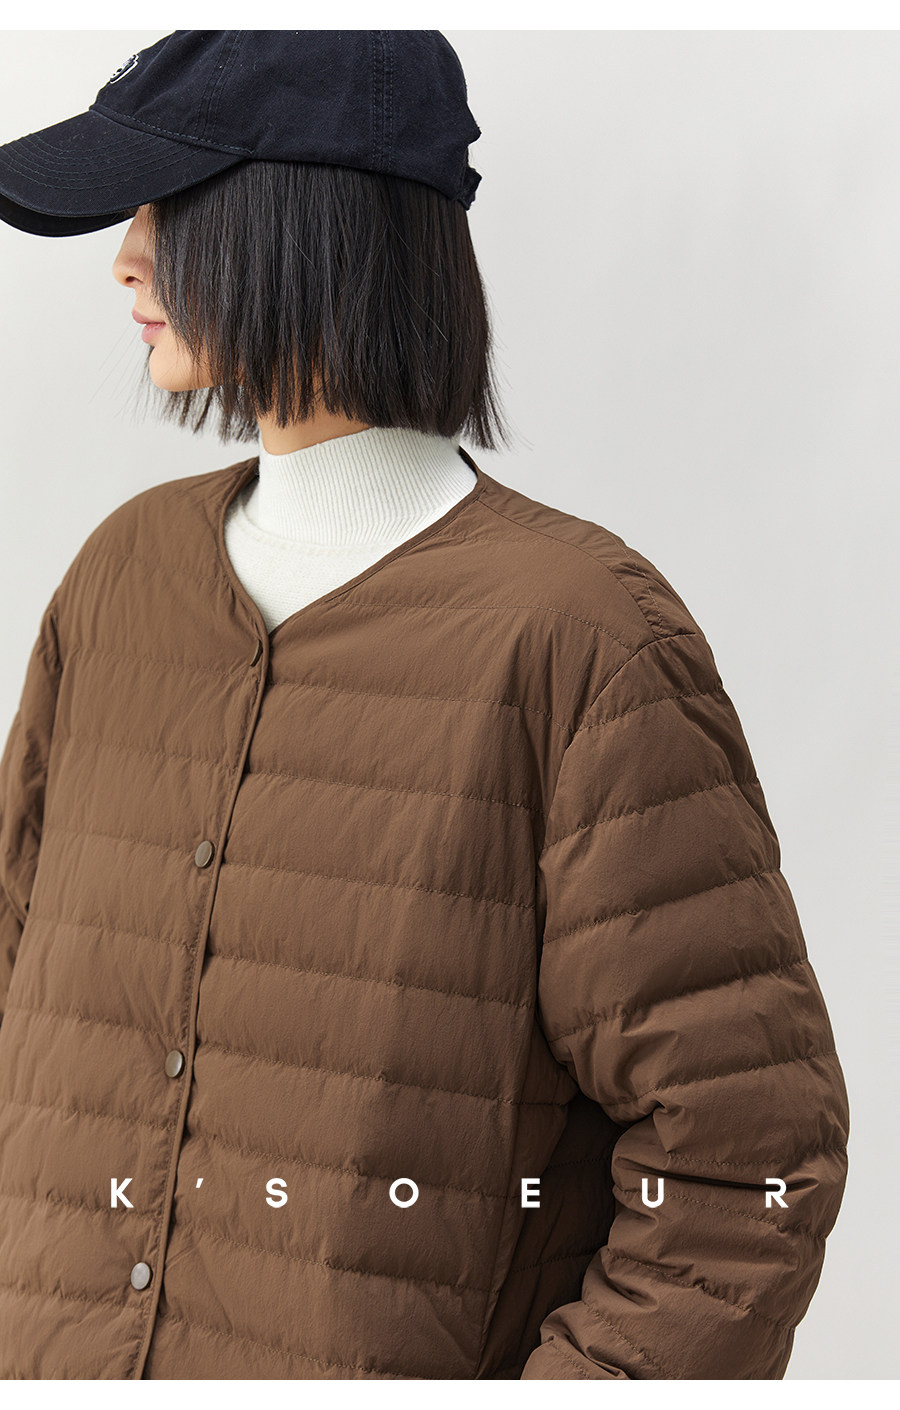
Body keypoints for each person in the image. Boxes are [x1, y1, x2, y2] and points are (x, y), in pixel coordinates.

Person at [0, 30, 850, 1381]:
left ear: (308, 219)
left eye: (171, 203)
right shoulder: (123, 577)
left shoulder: (579, 641)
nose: (127, 256)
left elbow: (746, 1160)